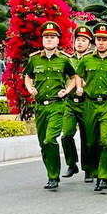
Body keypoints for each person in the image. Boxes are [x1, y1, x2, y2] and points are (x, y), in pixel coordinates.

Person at [24, 22, 76, 190]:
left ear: (58, 40)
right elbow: (28, 76)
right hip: (40, 107)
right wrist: (30, 88)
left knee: (50, 139)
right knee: (43, 144)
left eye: (52, 37)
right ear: (42, 39)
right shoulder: (34, 59)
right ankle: (50, 173)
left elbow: (74, 77)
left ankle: (53, 177)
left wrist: (67, 90)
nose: (49, 40)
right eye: (46, 37)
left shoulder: (64, 59)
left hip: (57, 105)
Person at [76, 24, 107, 192]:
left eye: (105, 39)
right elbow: (79, 75)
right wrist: (79, 87)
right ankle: (95, 170)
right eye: (98, 39)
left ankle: (104, 176)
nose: (101, 42)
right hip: (90, 103)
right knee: (91, 142)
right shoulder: (86, 59)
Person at [62, 26, 93, 181]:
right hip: (70, 102)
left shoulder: (92, 60)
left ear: (89, 44)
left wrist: (84, 85)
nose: (80, 43)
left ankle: (88, 169)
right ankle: (71, 164)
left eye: (84, 40)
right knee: (66, 134)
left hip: (86, 102)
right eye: (78, 40)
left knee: (87, 138)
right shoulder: (68, 59)